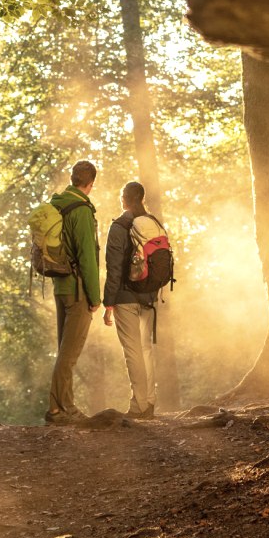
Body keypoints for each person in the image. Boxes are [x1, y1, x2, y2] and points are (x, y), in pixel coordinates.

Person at [46, 159, 101, 424]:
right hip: (78, 288)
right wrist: (95, 296)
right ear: (89, 184)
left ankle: (59, 408)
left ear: (72, 178)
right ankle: (62, 408)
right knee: (69, 354)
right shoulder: (81, 210)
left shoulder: (57, 203)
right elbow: (87, 257)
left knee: (63, 350)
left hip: (60, 285)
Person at [102, 180, 161, 418]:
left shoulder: (120, 226)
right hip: (148, 296)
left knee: (133, 351)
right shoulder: (153, 224)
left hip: (126, 297)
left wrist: (109, 303)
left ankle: (139, 405)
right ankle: (149, 402)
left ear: (123, 199)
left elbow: (113, 268)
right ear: (142, 198)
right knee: (146, 349)